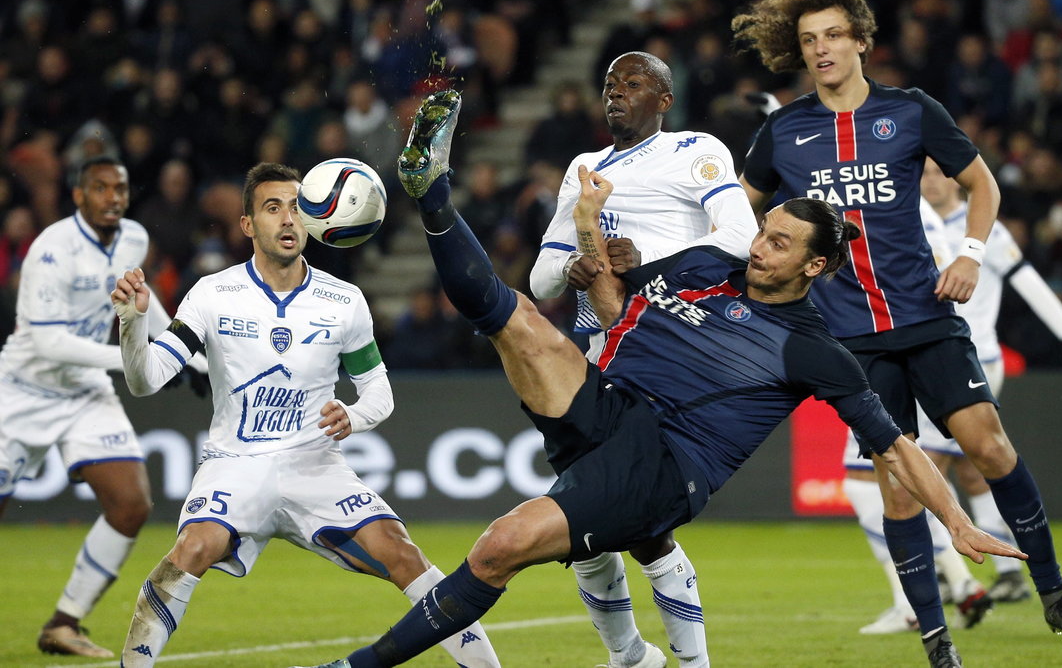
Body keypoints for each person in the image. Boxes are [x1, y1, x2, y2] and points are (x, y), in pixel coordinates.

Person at [294, 89, 1020, 668]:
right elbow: (610, 301)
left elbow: (894, 447)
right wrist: (589, 230)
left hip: (667, 465)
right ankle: (433, 195)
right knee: (512, 314)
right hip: (614, 404)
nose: (760, 249)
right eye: (765, 233)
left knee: (498, 546)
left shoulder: (813, 350)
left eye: (781, 246)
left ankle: (355, 667)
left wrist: (956, 522)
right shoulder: (709, 264)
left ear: (815, 267)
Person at [732, 0, 1062, 665]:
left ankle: (1054, 592)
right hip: (852, 340)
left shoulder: (910, 110)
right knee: (897, 484)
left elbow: (983, 185)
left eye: (835, 34)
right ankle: (936, 638)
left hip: (926, 318)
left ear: (861, 42)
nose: (822, 48)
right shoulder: (784, 132)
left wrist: (969, 253)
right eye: (811, 37)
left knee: (990, 450)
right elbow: (735, 214)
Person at [109, 162, 500, 668]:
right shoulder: (212, 293)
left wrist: (354, 418)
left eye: (297, 206)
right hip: (236, 462)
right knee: (192, 549)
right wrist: (131, 323)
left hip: (315, 465)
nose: (288, 219)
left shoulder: (343, 301)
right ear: (247, 224)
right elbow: (145, 381)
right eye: (273, 208)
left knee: (403, 553)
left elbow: (379, 392)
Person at [530, 50, 758, 668]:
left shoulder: (695, 150)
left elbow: (740, 239)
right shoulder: (584, 167)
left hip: (667, 357)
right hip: (592, 356)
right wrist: (577, 261)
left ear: (663, 99)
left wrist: (650, 261)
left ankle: (670, 662)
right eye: (608, 84)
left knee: (640, 523)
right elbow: (543, 276)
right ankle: (633, 657)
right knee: (585, 523)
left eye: (632, 84)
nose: (615, 93)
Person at [847, 160, 1062, 635]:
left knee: (924, 474)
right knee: (965, 470)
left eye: (940, 173)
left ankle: (950, 585)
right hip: (921, 357)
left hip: (967, 359)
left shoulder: (981, 230)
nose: (932, 180)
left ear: (958, 180)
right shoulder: (907, 216)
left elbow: (1027, 280)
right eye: (923, 174)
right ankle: (994, 572)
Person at [0, 156, 207, 658]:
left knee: (131, 504)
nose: (113, 197)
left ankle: (63, 624)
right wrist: (132, 357)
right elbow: (49, 344)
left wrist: (182, 348)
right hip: (24, 390)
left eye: (119, 189)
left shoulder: (133, 238)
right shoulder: (51, 251)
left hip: (85, 390)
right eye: (100, 188)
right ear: (78, 195)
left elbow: (141, 296)